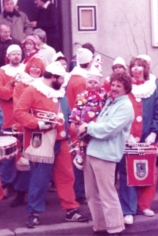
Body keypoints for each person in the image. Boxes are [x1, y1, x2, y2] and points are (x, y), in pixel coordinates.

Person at [14, 61, 88, 228]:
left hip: (61, 141)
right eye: (61, 78)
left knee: (66, 177)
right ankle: (33, 212)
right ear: (53, 77)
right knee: (39, 179)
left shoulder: (60, 92)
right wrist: (37, 124)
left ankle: (70, 209)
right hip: (41, 140)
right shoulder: (32, 90)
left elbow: (67, 116)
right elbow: (19, 112)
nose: (64, 82)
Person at [77, 71, 134, 235]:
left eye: (119, 86)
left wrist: (88, 127)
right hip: (93, 152)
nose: (114, 88)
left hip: (106, 155)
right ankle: (100, 228)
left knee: (107, 194)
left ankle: (116, 229)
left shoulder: (125, 106)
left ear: (126, 89)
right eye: (113, 84)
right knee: (92, 195)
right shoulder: (110, 101)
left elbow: (110, 129)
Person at [118, 57, 158, 225]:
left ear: (145, 69)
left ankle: (143, 205)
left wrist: (154, 133)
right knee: (128, 173)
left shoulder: (152, 88)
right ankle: (128, 209)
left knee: (148, 172)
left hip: (147, 138)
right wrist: (126, 134)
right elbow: (119, 112)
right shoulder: (125, 88)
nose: (136, 69)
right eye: (133, 66)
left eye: (140, 66)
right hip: (128, 139)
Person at [10, 56, 45, 207]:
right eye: (32, 67)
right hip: (24, 126)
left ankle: (37, 195)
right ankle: (20, 193)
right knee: (23, 162)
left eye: (38, 67)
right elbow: (17, 106)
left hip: (41, 128)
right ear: (28, 68)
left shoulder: (45, 86)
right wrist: (23, 123)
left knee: (38, 163)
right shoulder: (20, 85)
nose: (35, 70)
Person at [0, 44, 25, 196]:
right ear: (8, 56)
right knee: (6, 153)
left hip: (23, 117)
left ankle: (21, 185)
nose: (16, 56)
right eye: (13, 54)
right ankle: (6, 183)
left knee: (22, 152)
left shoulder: (27, 70)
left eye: (18, 54)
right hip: (6, 116)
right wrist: (16, 91)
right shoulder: (1, 72)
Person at [66, 47, 93, 203]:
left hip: (72, 121)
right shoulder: (83, 81)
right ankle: (80, 193)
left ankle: (78, 191)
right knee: (80, 157)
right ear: (89, 63)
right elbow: (85, 106)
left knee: (76, 156)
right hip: (80, 123)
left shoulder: (72, 78)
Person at [70, 68, 107, 170]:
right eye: (90, 82)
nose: (92, 85)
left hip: (97, 121)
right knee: (82, 140)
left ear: (99, 84)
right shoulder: (82, 95)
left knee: (95, 140)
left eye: (95, 83)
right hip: (84, 121)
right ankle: (79, 155)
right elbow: (77, 108)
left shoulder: (103, 94)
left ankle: (97, 157)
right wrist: (74, 120)